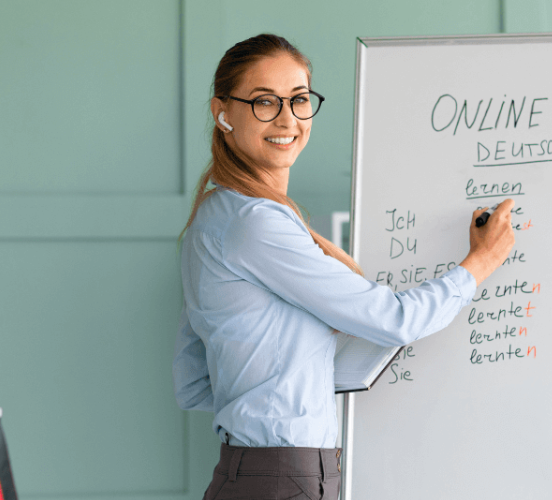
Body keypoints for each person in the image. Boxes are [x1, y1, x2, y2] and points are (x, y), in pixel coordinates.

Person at [172, 33, 516, 500]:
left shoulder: (212, 216)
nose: (288, 119)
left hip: (246, 475)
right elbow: (396, 320)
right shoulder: (257, 224)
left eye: (298, 100)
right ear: (222, 113)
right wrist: (480, 262)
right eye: (263, 102)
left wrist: (292, 371)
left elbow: (194, 382)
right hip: (283, 479)